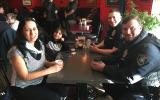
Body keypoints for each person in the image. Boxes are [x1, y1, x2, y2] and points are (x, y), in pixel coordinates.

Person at [90, 15, 160, 100]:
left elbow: (131, 76)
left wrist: (103, 68)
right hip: (129, 83)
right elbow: (118, 57)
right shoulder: (130, 41)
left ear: (140, 28)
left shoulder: (148, 49)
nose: (128, 32)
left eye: (132, 28)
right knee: (106, 82)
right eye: (125, 29)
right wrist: (100, 60)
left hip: (142, 91)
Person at [7, 18, 65, 100]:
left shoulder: (40, 44)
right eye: (27, 30)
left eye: (34, 29)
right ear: (21, 32)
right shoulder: (16, 51)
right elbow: (25, 76)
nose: (32, 33)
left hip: (39, 80)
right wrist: (50, 70)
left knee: (63, 90)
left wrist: (53, 64)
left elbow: (43, 61)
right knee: (55, 97)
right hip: (23, 87)